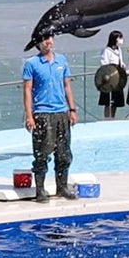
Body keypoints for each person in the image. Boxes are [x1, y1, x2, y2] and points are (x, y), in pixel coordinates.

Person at [22, 33, 78, 203]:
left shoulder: (61, 60)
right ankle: (40, 190)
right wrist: (29, 116)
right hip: (42, 114)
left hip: (61, 113)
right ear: (38, 43)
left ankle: (62, 187)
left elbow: (67, 86)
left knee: (64, 154)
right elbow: (27, 91)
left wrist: (72, 109)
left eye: (50, 38)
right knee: (42, 153)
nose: (48, 41)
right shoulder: (31, 63)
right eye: (44, 39)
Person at [98, 30, 125, 119]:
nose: (121, 40)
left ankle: (113, 116)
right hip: (109, 76)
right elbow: (104, 62)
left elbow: (120, 60)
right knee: (107, 101)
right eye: (119, 38)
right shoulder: (107, 50)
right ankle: (107, 118)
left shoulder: (119, 50)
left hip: (118, 75)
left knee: (116, 100)